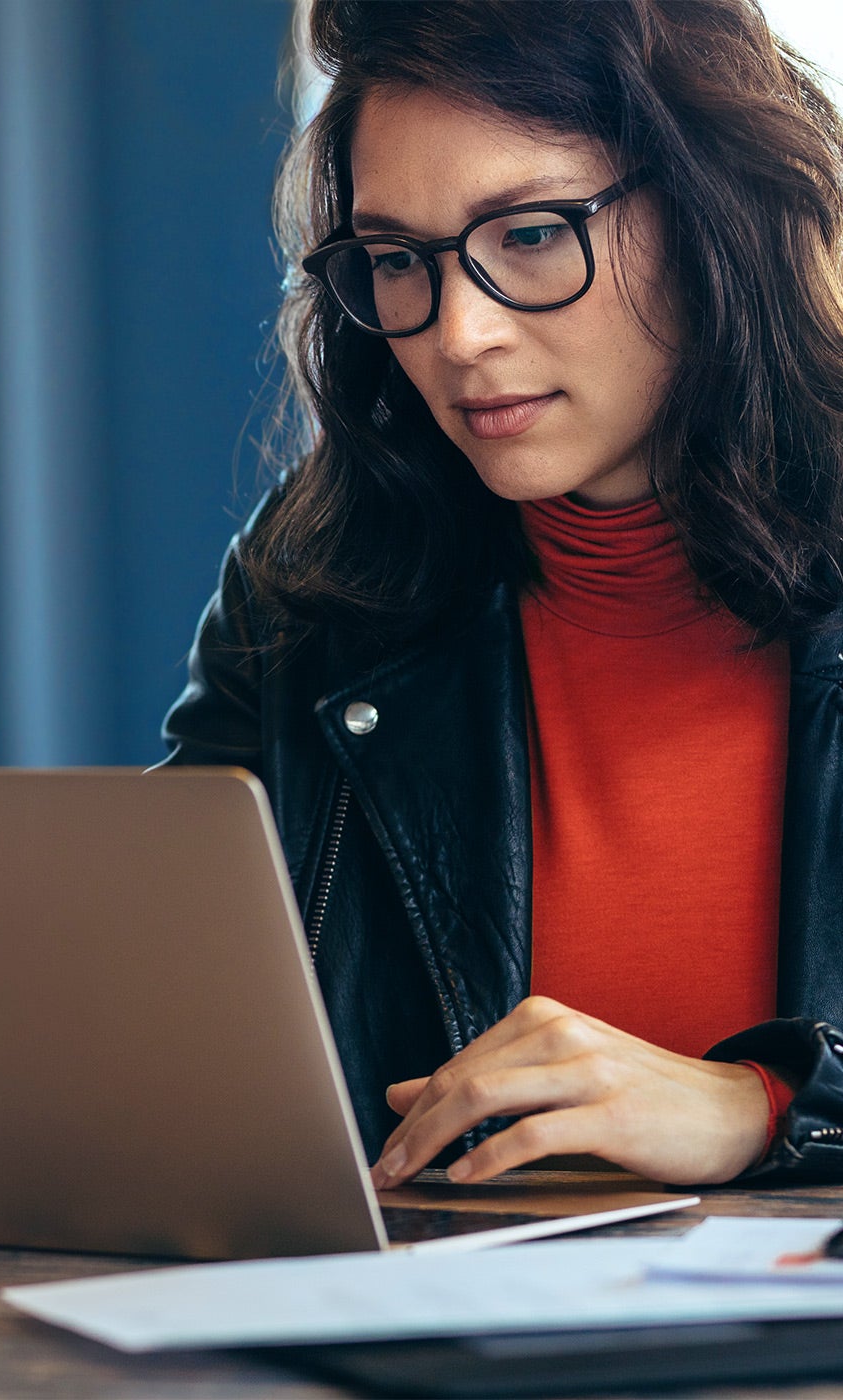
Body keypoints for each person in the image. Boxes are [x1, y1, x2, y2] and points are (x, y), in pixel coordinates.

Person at [159, 0, 843, 1188]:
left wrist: (763, 1101)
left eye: (528, 233)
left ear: (710, 208)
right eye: (396, 258)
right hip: (417, 1342)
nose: (459, 333)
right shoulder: (312, 587)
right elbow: (148, 1023)